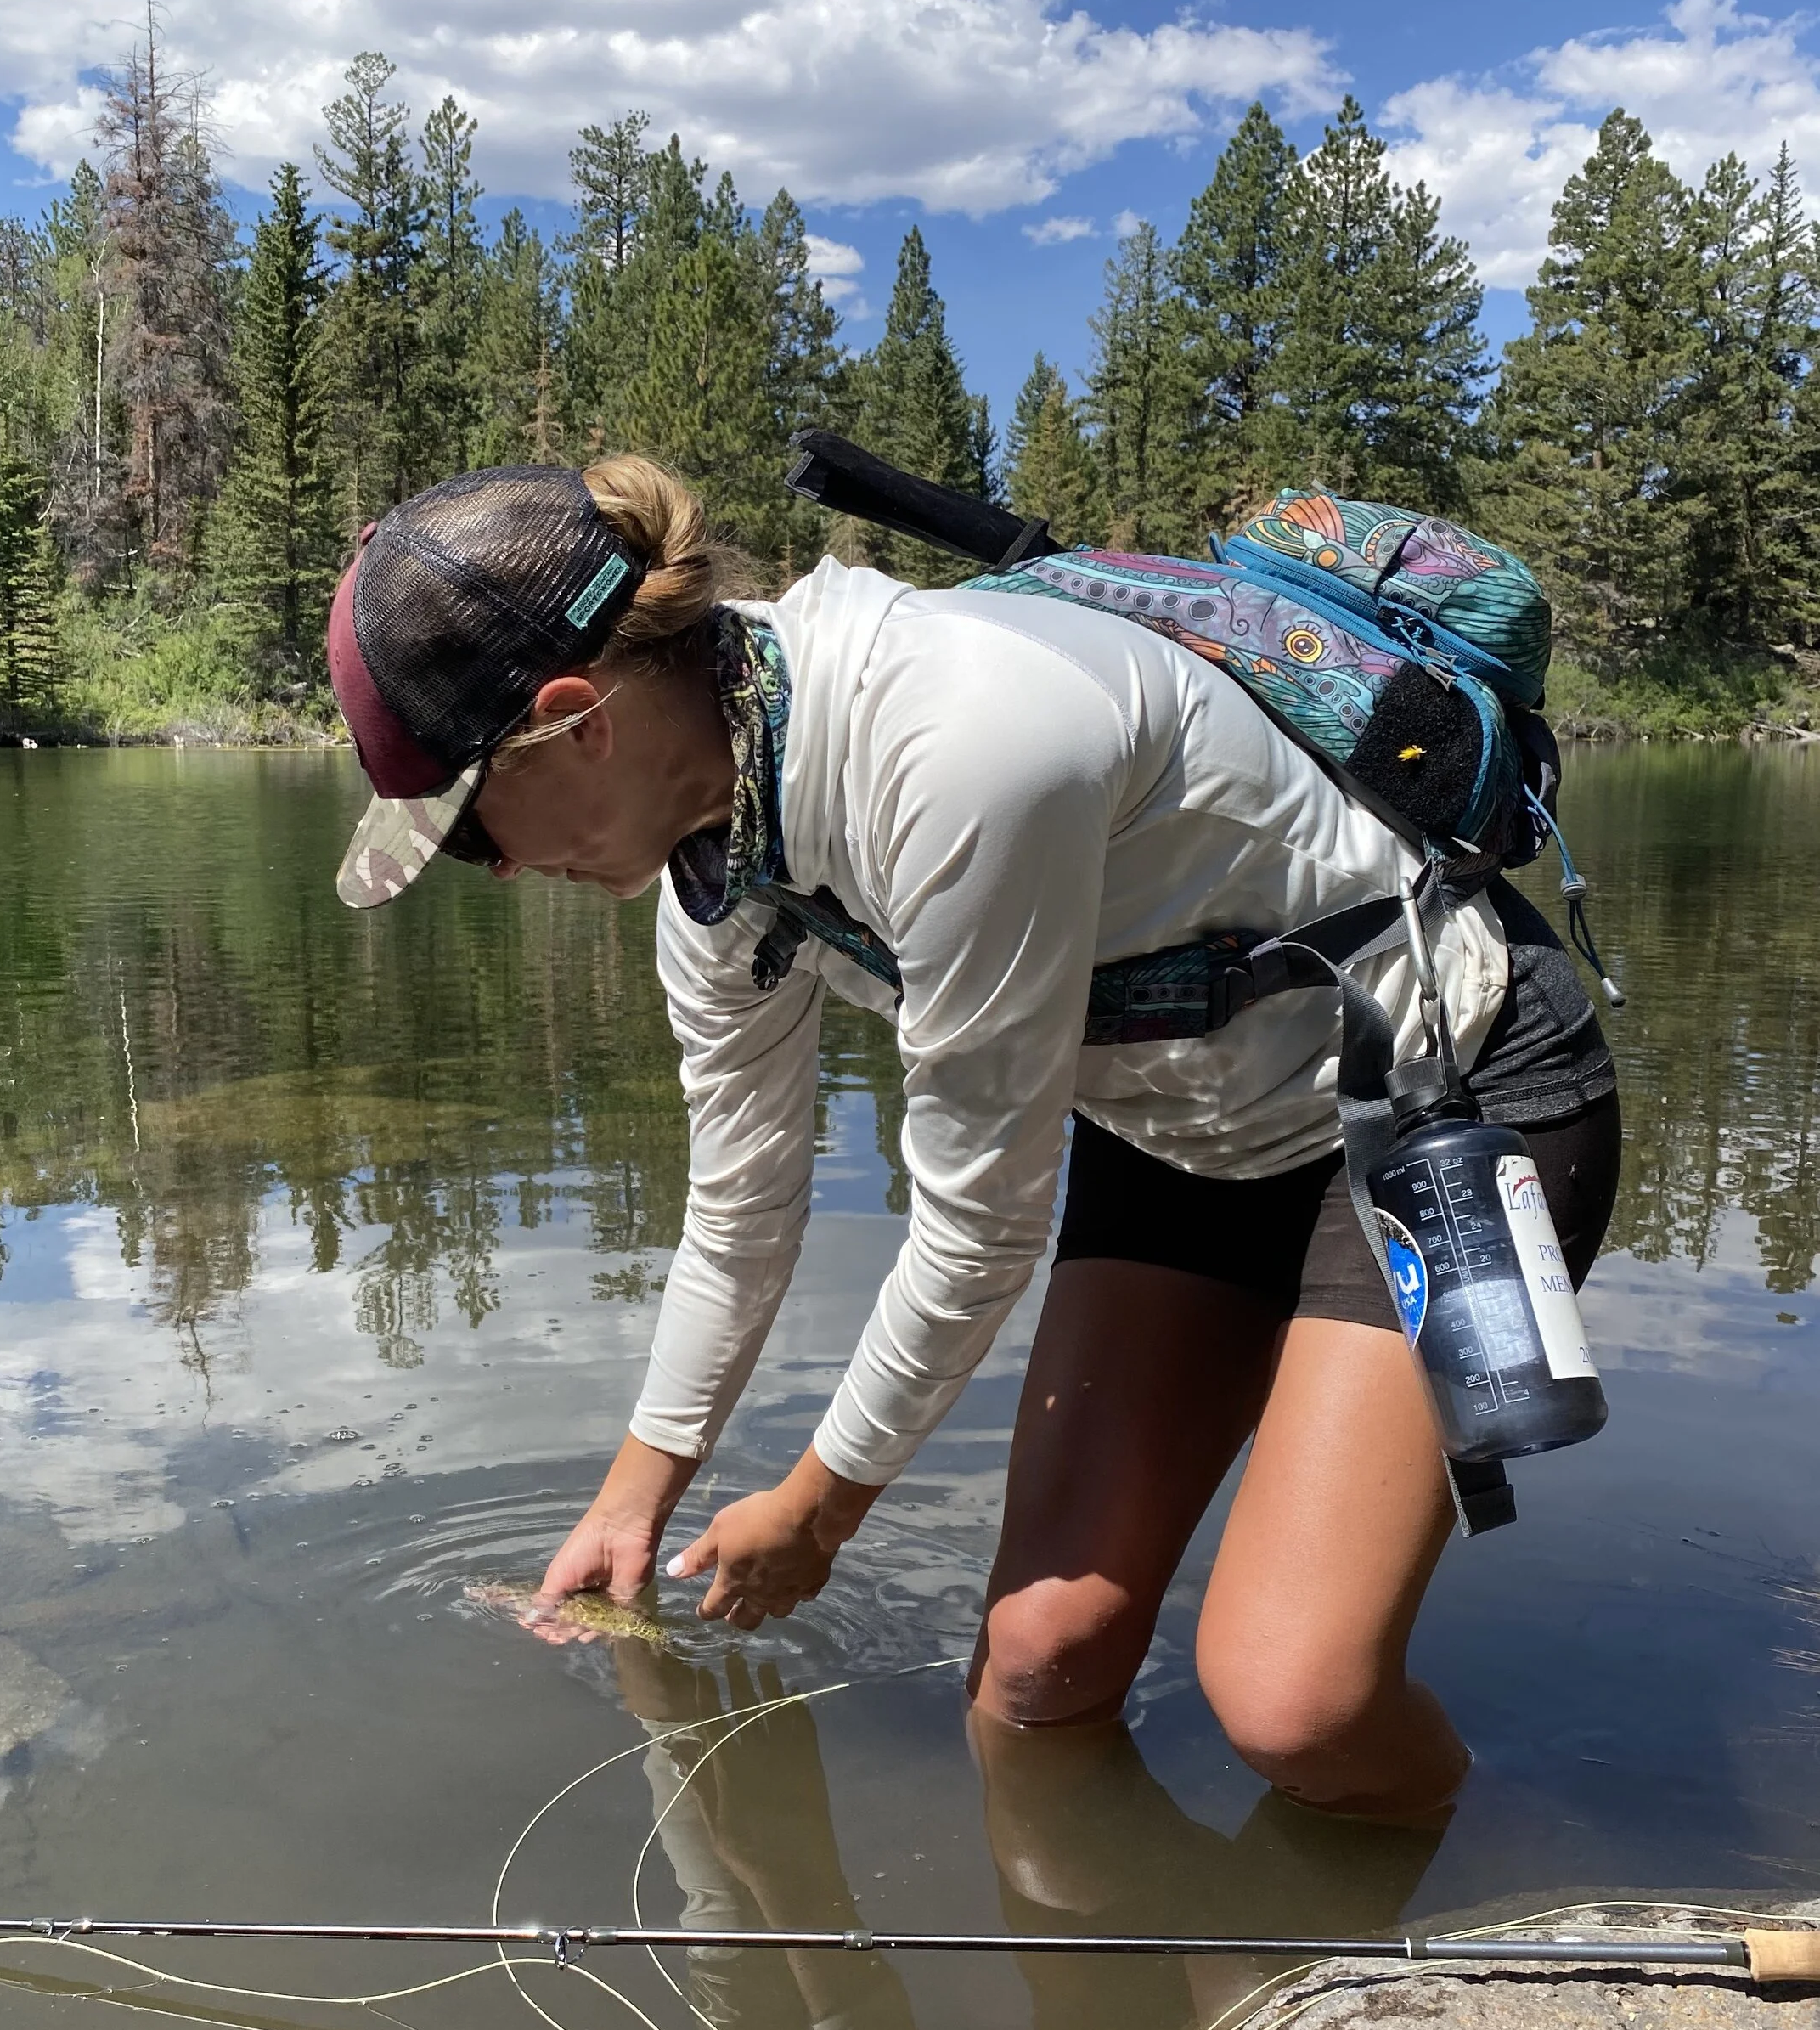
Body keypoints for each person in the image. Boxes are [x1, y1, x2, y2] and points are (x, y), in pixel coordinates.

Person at [330, 456, 1620, 1822]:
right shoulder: (713, 865)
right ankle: (1137, 2007)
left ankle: (1482, 1921)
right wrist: (634, 1497)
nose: (506, 873)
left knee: (1297, 1704)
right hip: (1186, 1124)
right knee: (1037, 1673)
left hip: (1440, 1091)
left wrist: (821, 1508)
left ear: (576, 717)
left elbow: (979, 1225)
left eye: (474, 832)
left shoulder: (963, 745)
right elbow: (741, 1211)